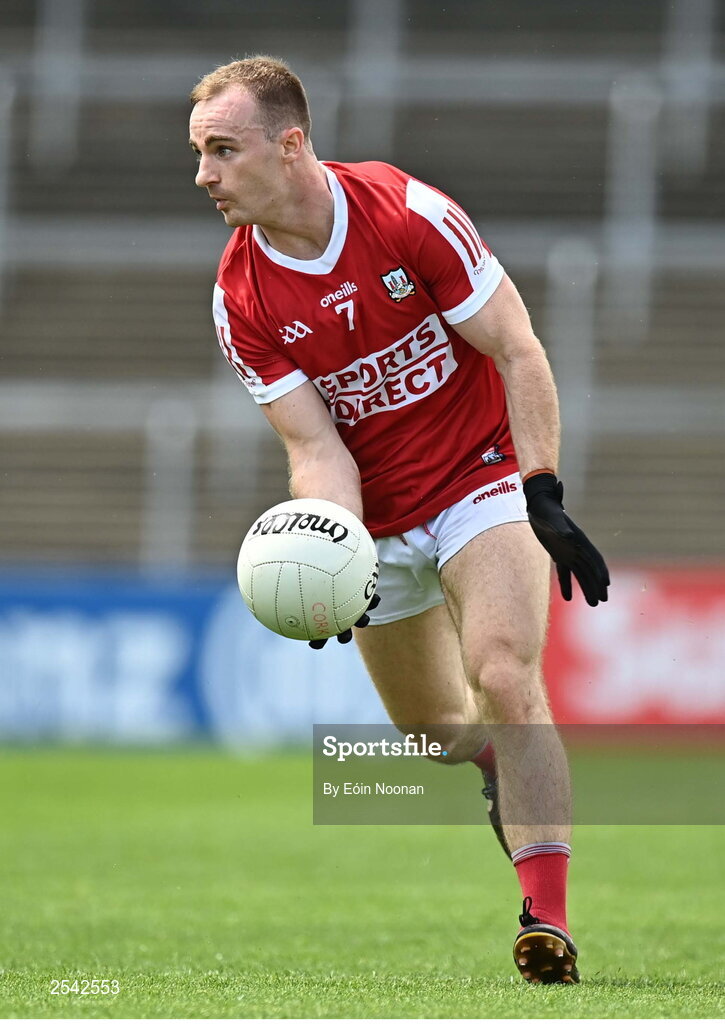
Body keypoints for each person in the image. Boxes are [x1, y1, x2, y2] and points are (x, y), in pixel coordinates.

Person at [189, 55, 609, 985]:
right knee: (437, 736)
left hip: (479, 475)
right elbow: (316, 449)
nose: (204, 175)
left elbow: (515, 345)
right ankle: (496, 768)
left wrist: (542, 488)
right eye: (199, 154)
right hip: (375, 519)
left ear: (289, 143)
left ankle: (546, 919)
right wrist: (328, 550)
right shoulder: (240, 297)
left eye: (222, 150)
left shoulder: (405, 214)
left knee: (504, 667)